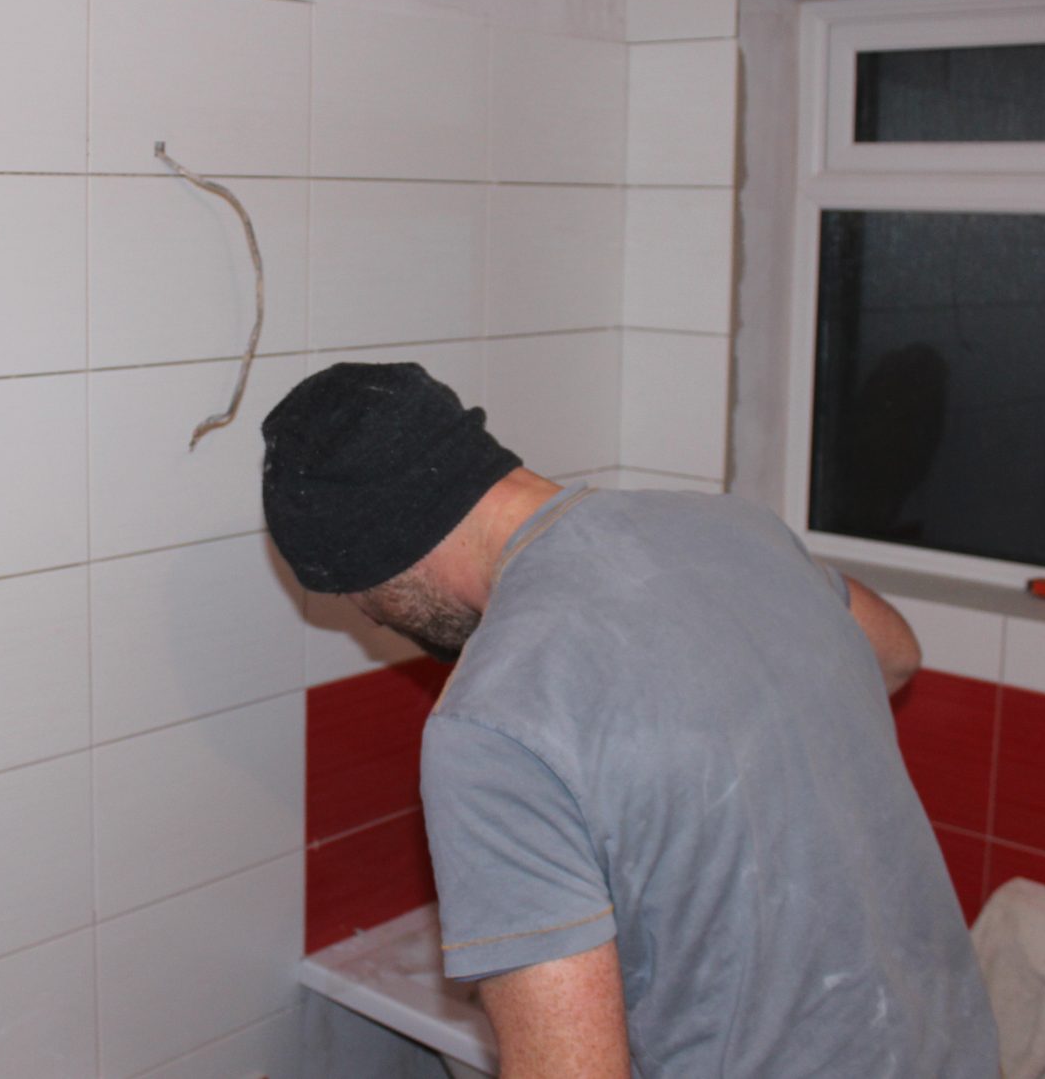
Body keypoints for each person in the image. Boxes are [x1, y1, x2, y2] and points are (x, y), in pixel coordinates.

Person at [262, 362, 998, 1078]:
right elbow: (896, 651)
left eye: (361, 603)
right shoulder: (732, 524)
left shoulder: (490, 720)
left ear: (375, 560)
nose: (375, 620)